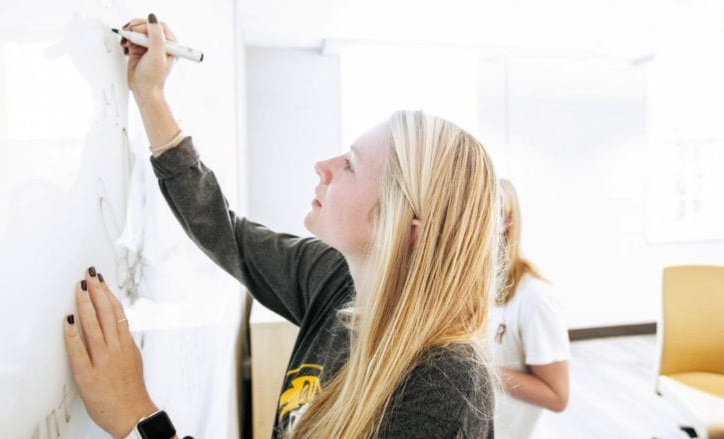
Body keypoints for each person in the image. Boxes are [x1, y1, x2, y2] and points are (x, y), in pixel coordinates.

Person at [63, 13, 500, 439]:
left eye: (350, 165)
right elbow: (224, 232)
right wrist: (151, 96)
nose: (323, 167)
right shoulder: (335, 279)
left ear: (406, 229)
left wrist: (138, 419)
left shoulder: (446, 385)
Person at [487, 179, 570, 439]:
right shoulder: (472, 287)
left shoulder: (536, 299)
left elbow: (557, 396)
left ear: (505, 222)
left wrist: (482, 372)